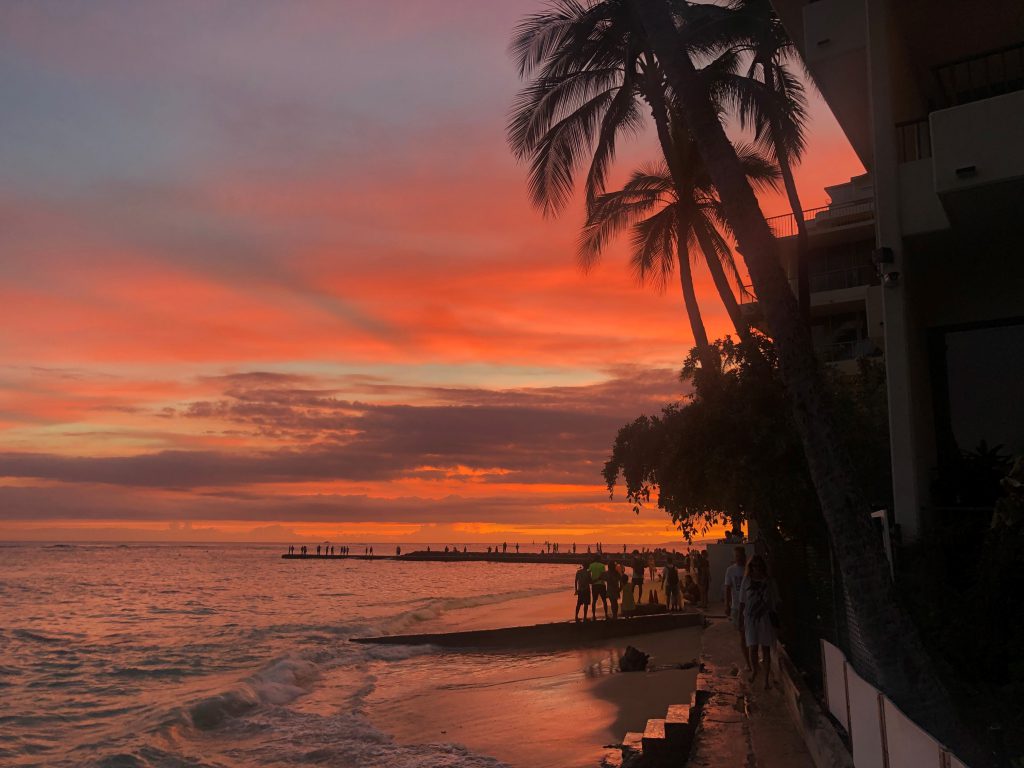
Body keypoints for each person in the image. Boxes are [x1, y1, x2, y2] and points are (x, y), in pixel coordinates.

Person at [739, 555, 779, 690]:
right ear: (750, 567)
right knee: (752, 647)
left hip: (764, 617)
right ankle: (755, 670)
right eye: (754, 566)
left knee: (765, 648)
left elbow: (774, 600)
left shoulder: (768, 581)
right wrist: (740, 618)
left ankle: (766, 680)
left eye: (759, 565)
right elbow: (742, 601)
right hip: (750, 618)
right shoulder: (747, 580)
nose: (757, 568)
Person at [724, 546, 749, 670]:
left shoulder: (749, 569)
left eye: (740, 555)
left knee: (751, 635)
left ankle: (752, 661)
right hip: (736, 607)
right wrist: (727, 605)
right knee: (743, 635)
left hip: (750, 608)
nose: (738, 558)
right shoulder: (730, 570)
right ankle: (748, 662)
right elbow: (728, 588)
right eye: (736, 556)